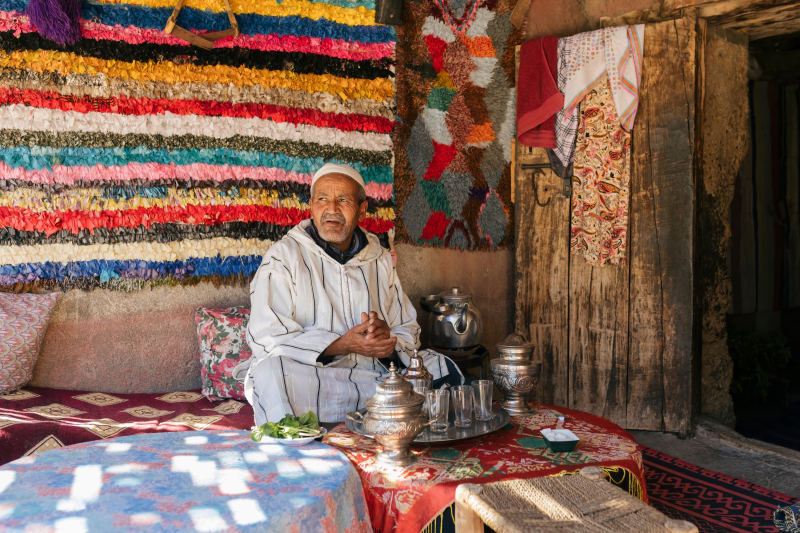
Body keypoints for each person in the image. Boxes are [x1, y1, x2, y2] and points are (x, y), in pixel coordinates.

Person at [240, 162, 463, 424]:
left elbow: (409, 332)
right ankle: (301, 444)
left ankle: (396, 420)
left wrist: (385, 341)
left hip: (374, 380)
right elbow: (265, 338)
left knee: (439, 365)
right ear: (311, 205)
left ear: (362, 208)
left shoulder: (378, 258)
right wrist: (342, 345)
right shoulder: (284, 257)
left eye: (343, 200)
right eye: (322, 199)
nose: (331, 209)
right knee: (270, 372)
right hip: (315, 381)